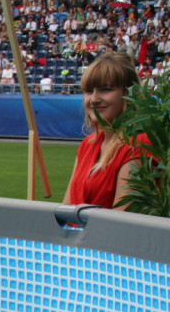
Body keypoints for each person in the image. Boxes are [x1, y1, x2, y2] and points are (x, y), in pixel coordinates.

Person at [63, 51, 149, 210]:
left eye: (105, 89)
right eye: (89, 91)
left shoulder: (139, 145)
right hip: (76, 234)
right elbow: (65, 210)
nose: (94, 99)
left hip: (105, 235)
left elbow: (119, 224)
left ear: (129, 94)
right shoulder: (87, 144)